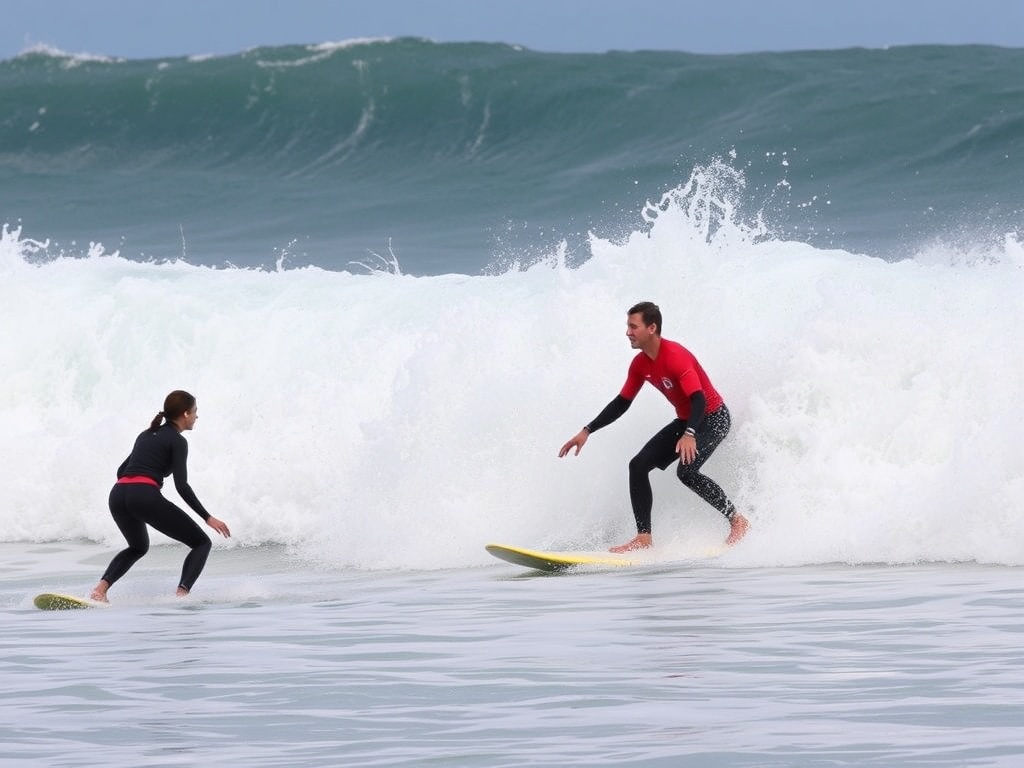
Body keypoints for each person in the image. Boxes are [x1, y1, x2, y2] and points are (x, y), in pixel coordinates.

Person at [559, 302, 749, 552]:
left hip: (713, 418)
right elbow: (621, 403)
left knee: (687, 472)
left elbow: (699, 399)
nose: (628, 332)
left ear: (652, 328)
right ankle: (644, 539)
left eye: (633, 326)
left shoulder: (676, 357)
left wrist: (690, 434)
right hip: (687, 420)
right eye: (628, 326)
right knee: (637, 466)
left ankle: (737, 520)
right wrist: (587, 430)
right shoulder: (640, 365)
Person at [90, 390, 231, 602]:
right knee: (202, 543)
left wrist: (143, 481)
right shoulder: (177, 441)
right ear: (185, 414)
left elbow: (122, 471)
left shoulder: (145, 435)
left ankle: (100, 590)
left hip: (118, 495)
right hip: (144, 496)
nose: (196, 416)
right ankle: (182, 595)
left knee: (137, 547)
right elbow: (182, 486)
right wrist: (207, 517)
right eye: (195, 412)